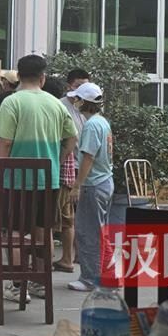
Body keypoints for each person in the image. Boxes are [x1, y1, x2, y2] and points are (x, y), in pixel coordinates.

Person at [0, 54, 78, 301]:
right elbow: (71, 139)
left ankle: (17, 285)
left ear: (19, 76)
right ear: (43, 78)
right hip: (48, 180)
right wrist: (58, 159)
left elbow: (5, 143)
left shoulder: (12, 102)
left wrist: (1, 174)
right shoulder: (56, 104)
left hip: (16, 180)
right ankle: (40, 282)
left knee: (15, 233)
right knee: (44, 232)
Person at [65, 83, 112, 293]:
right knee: (100, 232)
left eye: (77, 99)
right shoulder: (102, 122)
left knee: (87, 233)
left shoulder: (92, 125)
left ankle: (90, 279)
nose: (75, 102)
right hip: (104, 182)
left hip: (93, 184)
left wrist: (77, 185)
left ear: (84, 102)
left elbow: (88, 158)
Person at [54, 72, 90, 274]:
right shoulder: (60, 106)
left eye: (85, 85)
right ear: (69, 86)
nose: (81, 90)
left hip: (82, 166)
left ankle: (75, 256)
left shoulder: (87, 109)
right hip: (68, 167)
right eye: (78, 85)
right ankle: (69, 256)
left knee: (75, 216)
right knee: (68, 215)